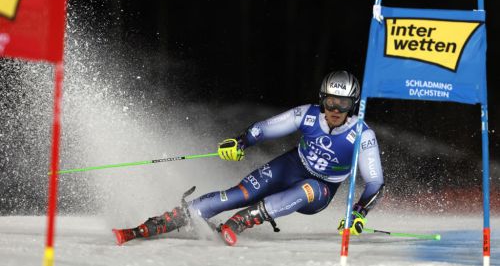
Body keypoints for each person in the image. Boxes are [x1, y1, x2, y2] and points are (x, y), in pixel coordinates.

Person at [112, 70, 385, 246]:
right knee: (238, 194)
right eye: (330, 102)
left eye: (343, 104)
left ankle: (243, 220)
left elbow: (375, 182)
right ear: (322, 99)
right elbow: (266, 128)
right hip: (290, 166)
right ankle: (162, 222)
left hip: (321, 188)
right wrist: (241, 142)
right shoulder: (308, 114)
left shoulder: (362, 134)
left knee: (310, 189)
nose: (335, 110)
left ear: (353, 105)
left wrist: (358, 212)